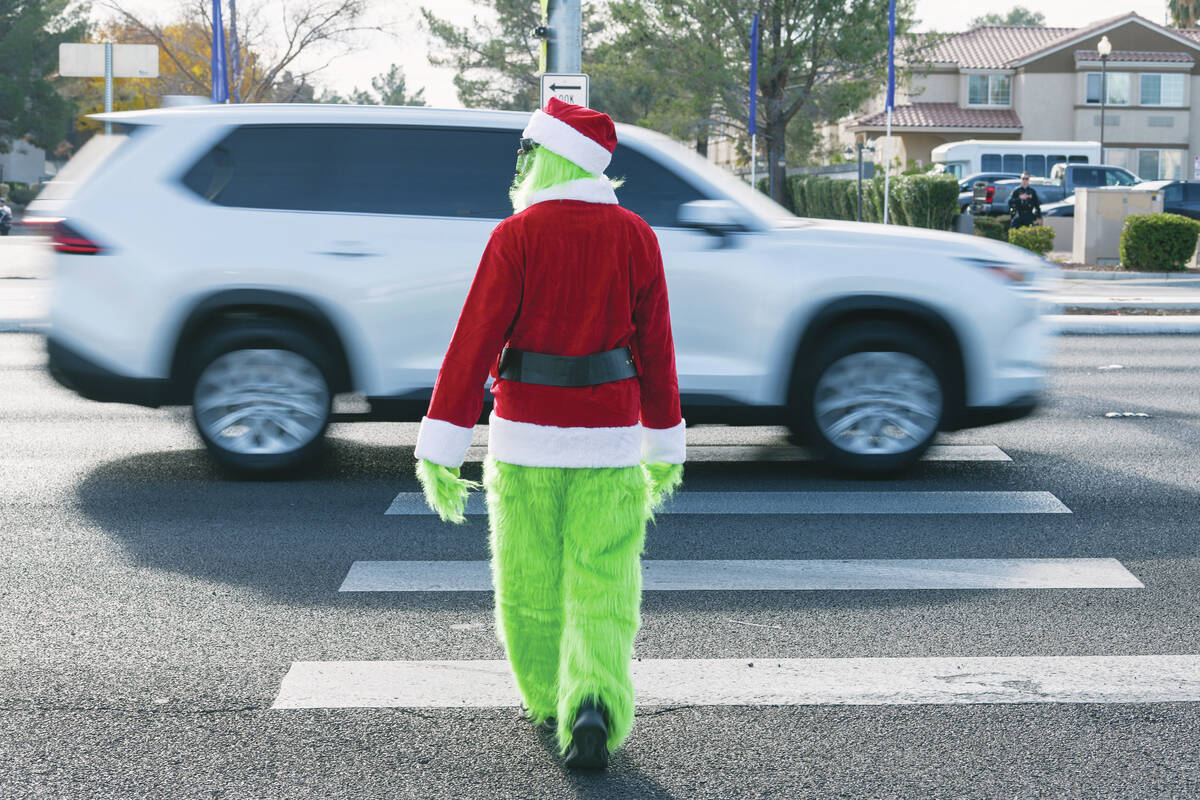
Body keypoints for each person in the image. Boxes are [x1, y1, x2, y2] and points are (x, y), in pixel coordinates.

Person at [412, 98, 686, 771]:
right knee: (604, 579)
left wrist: (442, 448)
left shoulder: (518, 235)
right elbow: (657, 348)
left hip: (525, 438)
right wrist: (665, 442)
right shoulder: (637, 237)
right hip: (612, 443)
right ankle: (592, 693)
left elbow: (474, 340)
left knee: (530, 578)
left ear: (546, 157)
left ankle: (545, 698)